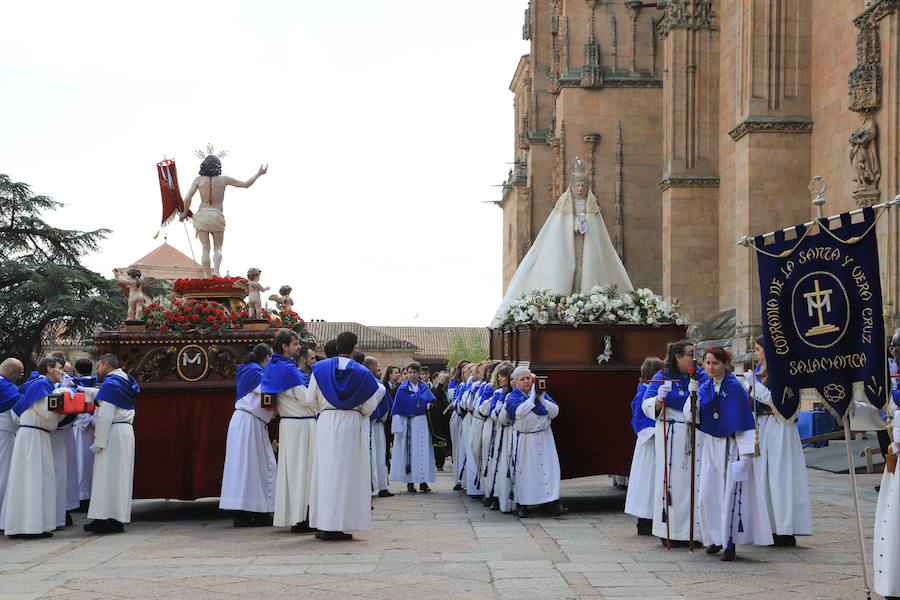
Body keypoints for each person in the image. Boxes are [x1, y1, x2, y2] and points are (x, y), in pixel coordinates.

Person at [490, 156, 633, 328]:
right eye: (578, 185)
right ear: (572, 187)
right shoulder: (565, 204)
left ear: (587, 187)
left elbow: (598, 231)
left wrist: (585, 226)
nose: (580, 188)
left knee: (586, 269)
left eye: (583, 185)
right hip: (568, 246)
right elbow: (558, 228)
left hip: (587, 246)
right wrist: (572, 226)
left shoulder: (591, 205)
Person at [694, 346, 772, 560]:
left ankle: (729, 543)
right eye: (707, 363)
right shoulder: (705, 386)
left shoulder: (733, 387)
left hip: (731, 445)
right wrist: (691, 400)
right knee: (707, 495)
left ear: (725, 364)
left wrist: (745, 457)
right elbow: (695, 415)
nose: (710, 367)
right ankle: (713, 538)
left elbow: (743, 420)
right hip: (712, 443)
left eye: (715, 363)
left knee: (728, 494)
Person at [307, 331, 385, 540]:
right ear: (354, 348)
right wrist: (354, 413)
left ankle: (323, 524)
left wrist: (325, 410)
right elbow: (369, 405)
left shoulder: (320, 369)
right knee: (346, 475)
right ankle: (338, 524)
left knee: (325, 472)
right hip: (351, 423)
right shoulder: (362, 372)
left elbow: (310, 400)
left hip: (326, 422)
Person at [641, 340, 708, 546]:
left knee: (695, 485)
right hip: (671, 438)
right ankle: (671, 532)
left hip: (696, 437)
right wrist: (659, 401)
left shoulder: (701, 376)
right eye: (689, 354)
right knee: (673, 485)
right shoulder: (662, 376)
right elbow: (646, 404)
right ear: (678, 356)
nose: (694, 359)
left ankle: (696, 533)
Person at [747, 338, 812, 547]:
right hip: (762, 427)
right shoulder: (759, 369)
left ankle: (784, 529)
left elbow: (780, 401)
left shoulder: (784, 370)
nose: (755, 353)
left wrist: (755, 386)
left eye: (758, 349)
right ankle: (768, 527)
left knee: (780, 475)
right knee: (764, 477)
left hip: (779, 426)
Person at [2, 356, 65, 537]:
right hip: (34, 436)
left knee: (33, 480)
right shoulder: (42, 385)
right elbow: (47, 414)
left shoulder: (34, 384)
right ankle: (30, 527)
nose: (62, 372)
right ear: (50, 368)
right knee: (35, 480)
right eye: (60, 367)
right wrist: (66, 405)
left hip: (32, 435)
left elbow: (16, 413)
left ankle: (31, 525)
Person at [180, 152, 267, 277]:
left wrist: (184, 213)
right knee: (218, 248)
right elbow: (246, 184)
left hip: (202, 215)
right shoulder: (224, 179)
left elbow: (187, 198)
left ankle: (208, 275)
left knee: (205, 248)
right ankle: (216, 271)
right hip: (217, 216)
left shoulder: (198, 180)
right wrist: (259, 173)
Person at [78, 354, 139, 534]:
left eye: (98, 366)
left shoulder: (111, 384)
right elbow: (108, 400)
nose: (97, 370)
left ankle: (105, 518)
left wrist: (98, 441)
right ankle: (114, 517)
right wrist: (87, 392)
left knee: (105, 476)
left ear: (106, 364)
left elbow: (105, 414)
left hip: (112, 432)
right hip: (124, 431)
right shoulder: (124, 380)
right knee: (118, 477)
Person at [264, 331, 317, 534]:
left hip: (290, 424)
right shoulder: (288, 370)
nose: (298, 347)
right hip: (301, 425)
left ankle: (297, 516)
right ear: (284, 346)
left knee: (294, 473)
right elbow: (306, 400)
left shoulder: (274, 366)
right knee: (304, 472)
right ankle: (302, 518)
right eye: (295, 344)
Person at [219, 343, 276, 527]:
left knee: (246, 468)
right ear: (267, 357)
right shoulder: (255, 373)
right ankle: (255, 511)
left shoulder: (249, 370)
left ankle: (245, 512)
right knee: (255, 467)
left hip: (247, 422)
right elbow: (270, 394)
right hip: (250, 423)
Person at [505, 366, 565, 518]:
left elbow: (555, 412)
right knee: (526, 473)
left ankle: (551, 502)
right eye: (523, 379)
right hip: (526, 440)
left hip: (544, 438)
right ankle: (524, 504)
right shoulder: (512, 397)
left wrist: (542, 399)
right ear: (515, 382)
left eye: (528, 379)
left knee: (548, 471)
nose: (526, 382)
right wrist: (532, 398)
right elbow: (519, 412)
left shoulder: (542, 395)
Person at [624, 357, 662, 535]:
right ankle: (645, 520)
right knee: (648, 481)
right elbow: (639, 420)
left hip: (656, 443)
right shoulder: (643, 394)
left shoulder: (648, 392)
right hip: (650, 444)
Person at [390, 362, 437, 493]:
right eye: (409, 372)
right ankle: (409, 482)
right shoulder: (402, 389)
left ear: (418, 373)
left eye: (414, 372)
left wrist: (430, 406)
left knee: (423, 452)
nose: (412, 375)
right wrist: (397, 427)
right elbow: (397, 409)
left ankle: (423, 481)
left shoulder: (424, 387)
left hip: (421, 423)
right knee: (409, 453)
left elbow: (432, 401)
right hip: (408, 423)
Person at [483, 362, 513, 511]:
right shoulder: (498, 393)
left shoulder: (513, 394)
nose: (500, 380)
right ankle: (495, 496)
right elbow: (492, 412)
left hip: (512, 432)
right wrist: (499, 410)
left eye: (503, 377)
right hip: (500, 432)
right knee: (497, 463)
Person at [70, 358, 97, 511]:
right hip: (93, 427)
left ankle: (80, 498)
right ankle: (90, 496)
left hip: (78, 427)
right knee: (91, 463)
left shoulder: (73, 384)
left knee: (79, 462)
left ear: (77, 370)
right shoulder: (98, 383)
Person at [364, 356, 392, 498]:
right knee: (375, 456)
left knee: (380, 456)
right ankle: (378, 486)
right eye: (377, 365)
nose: (379, 368)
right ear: (370, 367)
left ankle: (381, 485)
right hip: (371, 423)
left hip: (377, 424)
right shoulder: (376, 385)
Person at [0, 358, 24, 518]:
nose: (20, 377)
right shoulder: (6, 387)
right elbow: (21, 405)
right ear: (10, 372)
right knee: (4, 472)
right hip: (4, 434)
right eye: (19, 373)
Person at [473, 362, 499, 502]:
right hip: (490, 423)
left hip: (503, 428)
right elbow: (481, 408)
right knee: (488, 458)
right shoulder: (489, 388)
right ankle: (489, 492)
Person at [429, 372, 451, 471]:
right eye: (441, 380)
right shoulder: (434, 390)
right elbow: (434, 397)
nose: (443, 383)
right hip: (438, 420)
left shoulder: (448, 390)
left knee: (447, 442)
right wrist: (440, 384)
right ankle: (439, 464)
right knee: (438, 443)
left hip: (448, 418)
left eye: (444, 381)